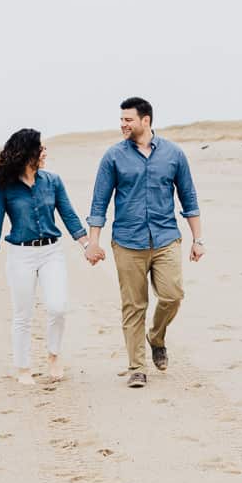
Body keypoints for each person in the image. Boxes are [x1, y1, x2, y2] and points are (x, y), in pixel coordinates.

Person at [84, 97, 204, 388]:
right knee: (134, 306)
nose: (123, 124)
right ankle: (137, 366)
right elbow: (99, 203)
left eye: (128, 120)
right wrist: (93, 242)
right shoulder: (113, 157)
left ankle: (157, 336)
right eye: (121, 119)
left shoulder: (173, 154)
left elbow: (188, 198)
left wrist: (197, 239)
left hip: (165, 238)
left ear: (145, 120)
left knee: (172, 295)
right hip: (127, 242)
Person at [0, 129, 90, 386]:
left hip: (52, 252)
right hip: (21, 255)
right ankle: (23, 367)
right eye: (40, 149)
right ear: (26, 153)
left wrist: (86, 245)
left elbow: (69, 216)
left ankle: (53, 354)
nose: (45, 153)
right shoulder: (5, 189)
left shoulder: (53, 181)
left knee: (58, 307)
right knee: (23, 314)